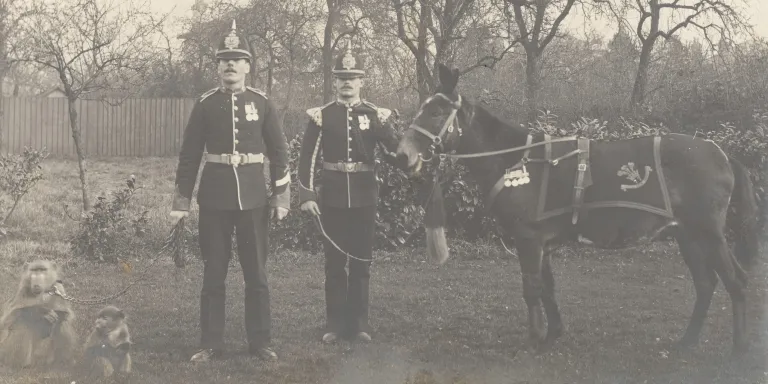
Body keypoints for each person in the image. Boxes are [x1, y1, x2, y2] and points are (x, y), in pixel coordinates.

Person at [170, 20, 291, 363]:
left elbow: (280, 153)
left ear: (248, 66)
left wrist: (281, 196)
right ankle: (211, 343)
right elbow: (190, 155)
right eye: (224, 59)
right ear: (218, 66)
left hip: (254, 198)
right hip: (214, 199)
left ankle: (260, 342)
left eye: (237, 59)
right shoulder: (206, 103)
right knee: (213, 274)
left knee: (257, 275)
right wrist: (181, 202)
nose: (230, 65)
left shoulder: (262, 103)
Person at [297, 44, 403, 344]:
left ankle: (359, 325)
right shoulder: (322, 116)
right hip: (330, 198)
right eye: (342, 77)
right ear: (334, 81)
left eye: (352, 77)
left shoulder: (375, 115)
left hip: (364, 197)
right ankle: (334, 324)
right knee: (334, 263)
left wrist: (413, 156)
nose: (347, 82)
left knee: (361, 261)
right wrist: (306, 195)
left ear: (361, 81)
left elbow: (395, 151)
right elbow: (306, 158)